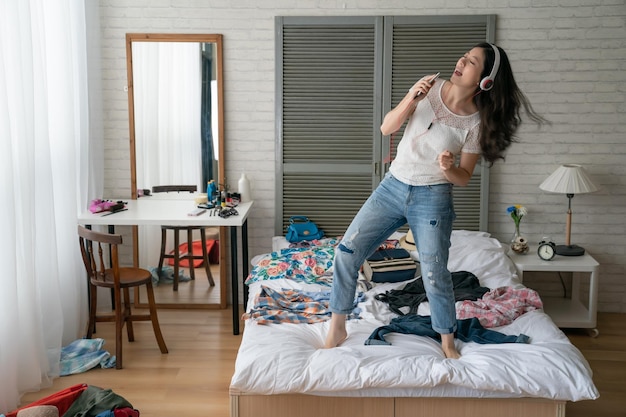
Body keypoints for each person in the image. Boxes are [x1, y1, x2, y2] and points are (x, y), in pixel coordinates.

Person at [324, 43, 546, 358]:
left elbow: (464, 177)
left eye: (471, 62)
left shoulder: (476, 122)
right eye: (464, 56)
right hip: (392, 187)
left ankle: (446, 341)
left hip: (433, 197)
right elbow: (387, 127)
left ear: (485, 80)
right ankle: (338, 324)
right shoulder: (429, 88)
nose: (461, 61)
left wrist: (449, 167)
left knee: (434, 271)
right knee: (346, 252)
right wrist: (411, 97)